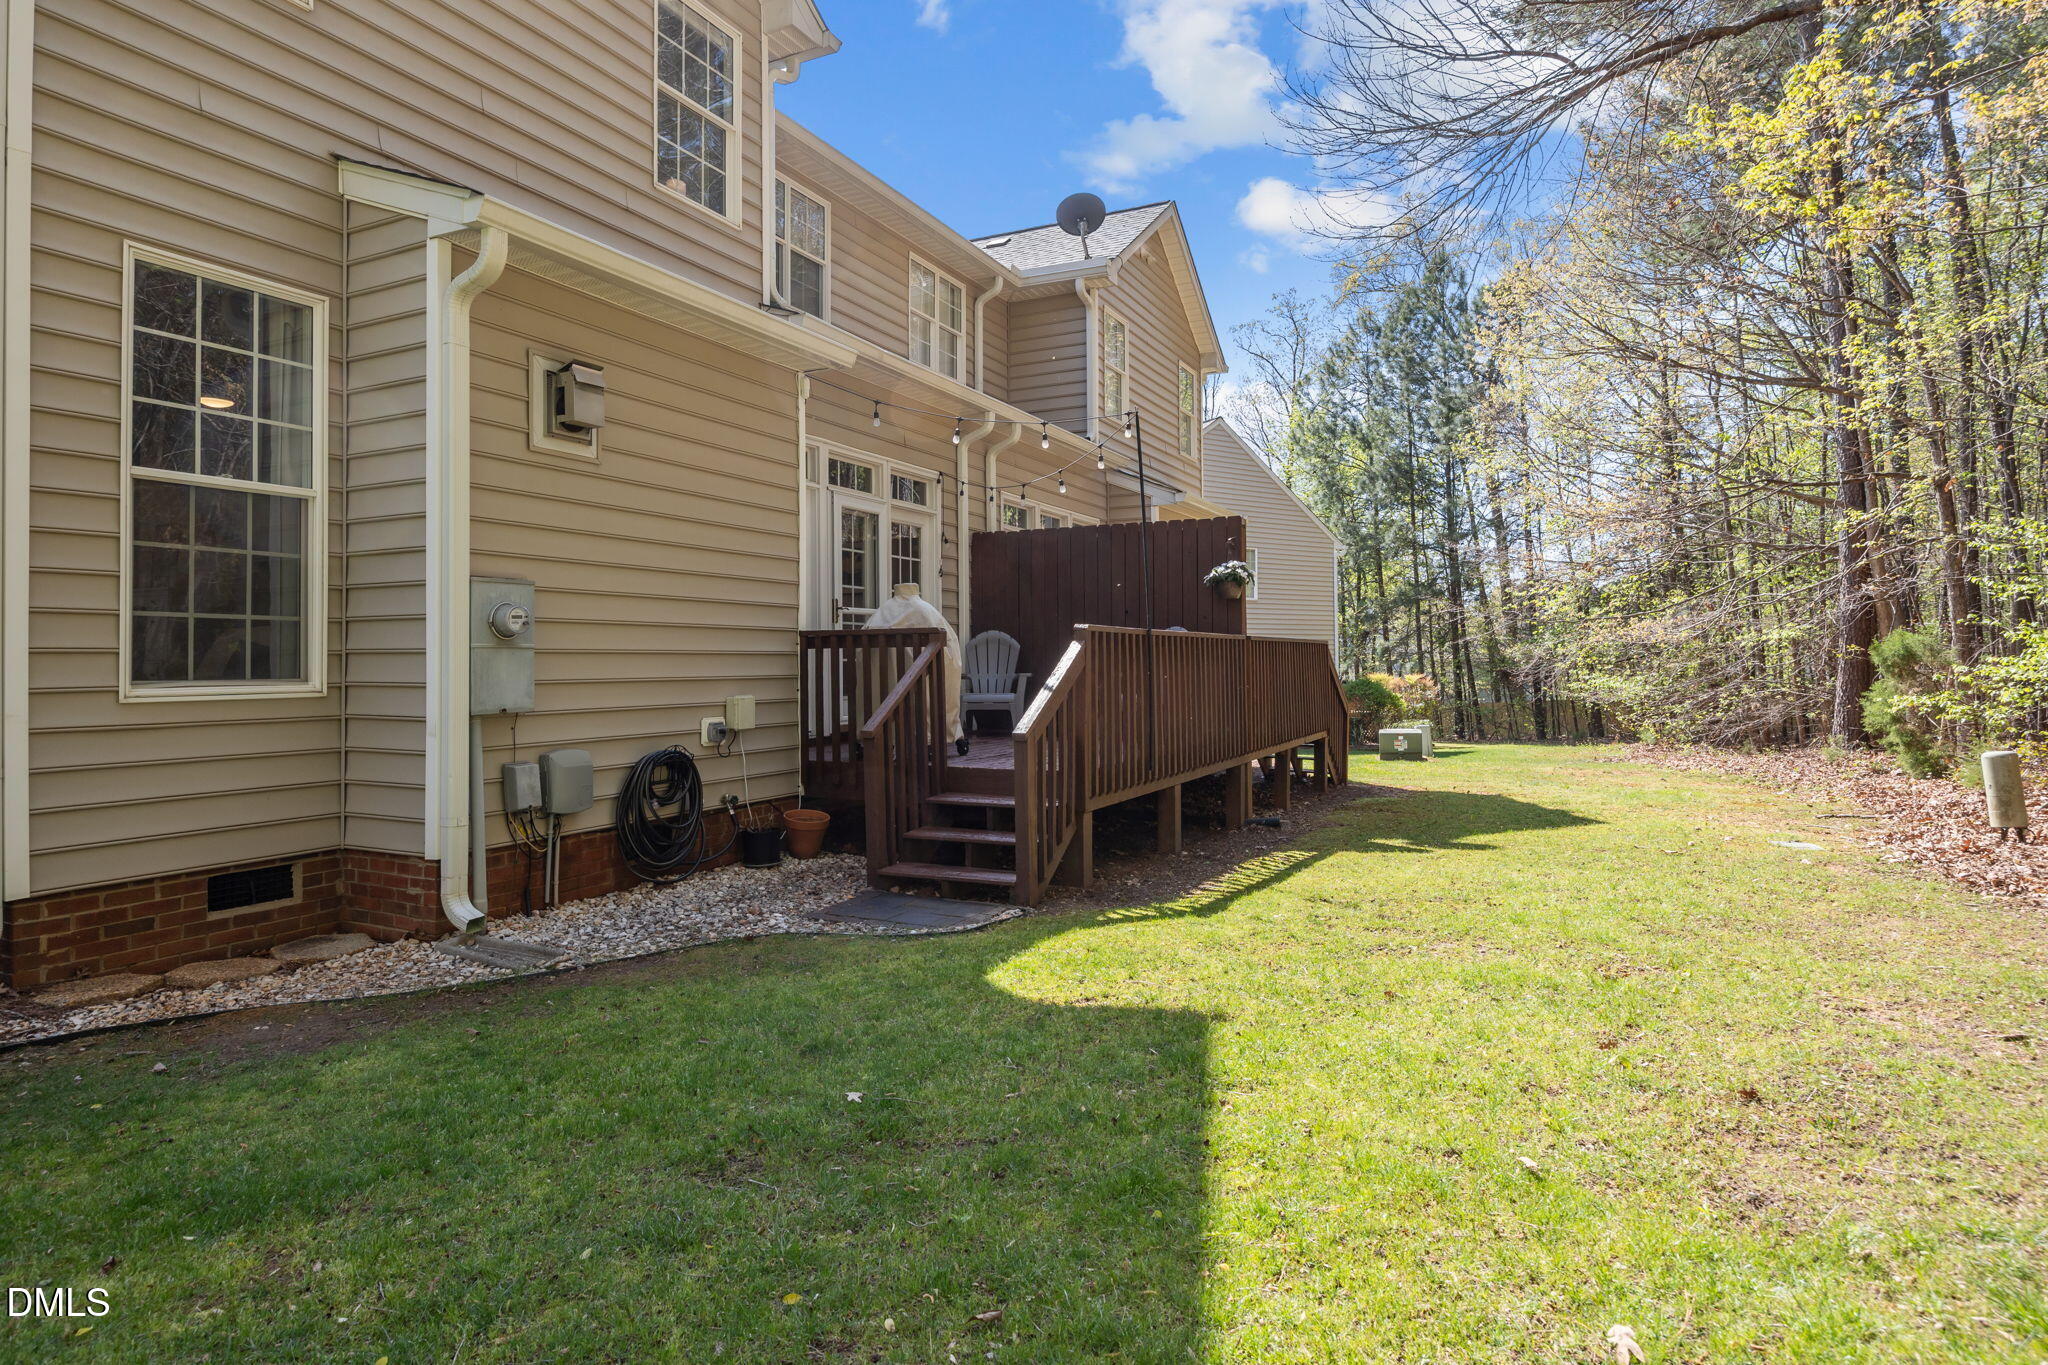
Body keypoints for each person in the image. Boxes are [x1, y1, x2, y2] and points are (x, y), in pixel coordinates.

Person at [864, 583, 967, 754]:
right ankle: (931, 734)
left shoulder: (882, 614)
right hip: (920, 677)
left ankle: (882, 735)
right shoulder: (927, 612)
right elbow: (950, 647)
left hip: (886, 680)